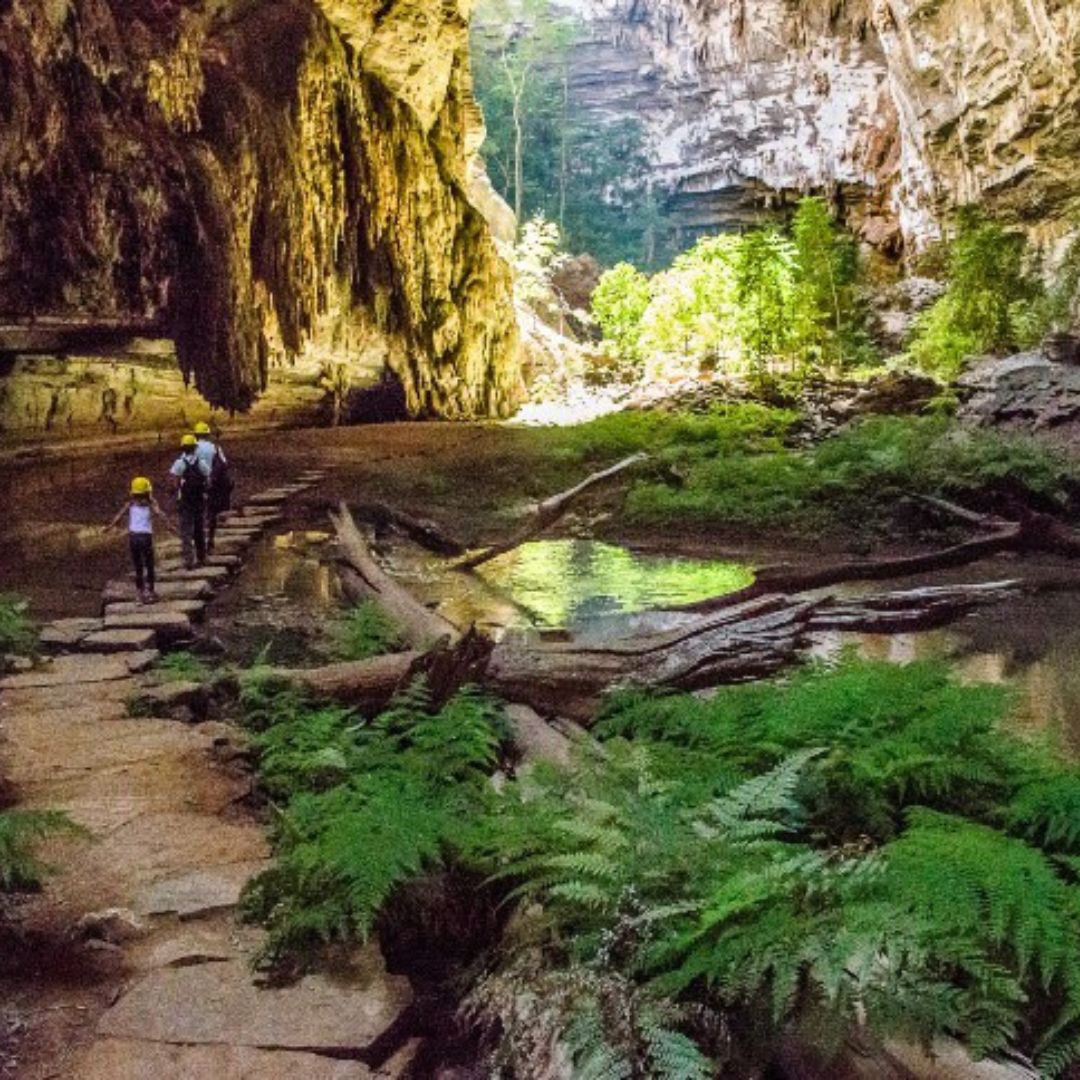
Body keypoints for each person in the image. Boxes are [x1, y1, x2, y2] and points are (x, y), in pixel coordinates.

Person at [106, 477, 175, 603]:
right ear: (148, 492)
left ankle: (139, 593)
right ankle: (151, 591)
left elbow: (119, 515)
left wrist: (110, 526)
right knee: (149, 564)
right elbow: (160, 515)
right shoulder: (151, 504)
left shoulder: (130, 504)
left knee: (138, 566)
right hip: (145, 537)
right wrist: (170, 526)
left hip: (133, 537)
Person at [170, 433, 210, 568]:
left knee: (186, 531)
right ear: (195, 448)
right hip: (199, 500)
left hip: (185, 500)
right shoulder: (202, 463)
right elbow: (208, 482)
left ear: (183, 448)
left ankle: (189, 560)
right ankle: (202, 557)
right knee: (199, 529)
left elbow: (175, 484)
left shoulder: (179, 463)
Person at [193, 421, 234, 552]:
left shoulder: (191, 448)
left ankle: (198, 541)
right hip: (213, 484)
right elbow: (224, 465)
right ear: (207, 434)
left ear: (196, 435)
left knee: (197, 512)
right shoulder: (215, 448)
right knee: (211, 513)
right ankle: (210, 539)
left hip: (197, 483)